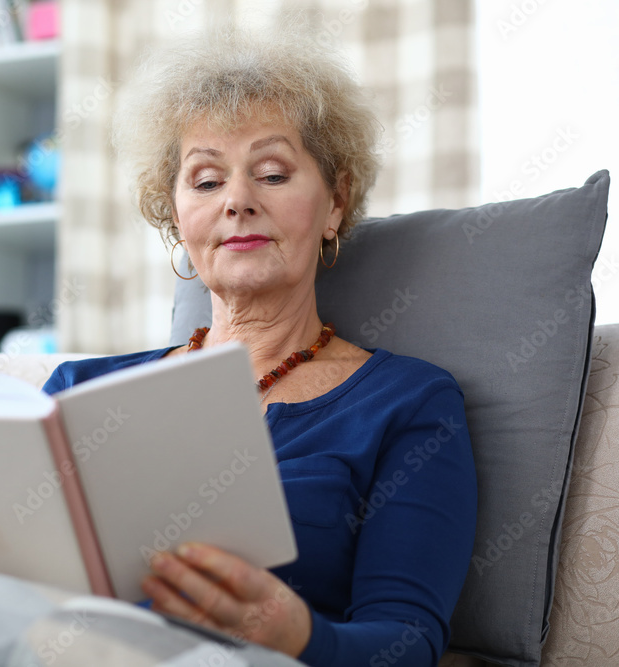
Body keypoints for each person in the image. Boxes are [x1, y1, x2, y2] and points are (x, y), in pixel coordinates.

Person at [38, 19, 478, 667]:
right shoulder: (77, 392)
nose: (237, 200)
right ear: (176, 215)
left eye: (271, 174)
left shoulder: (409, 403)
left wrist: (297, 633)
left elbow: (407, 642)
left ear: (336, 201)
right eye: (207, 180)